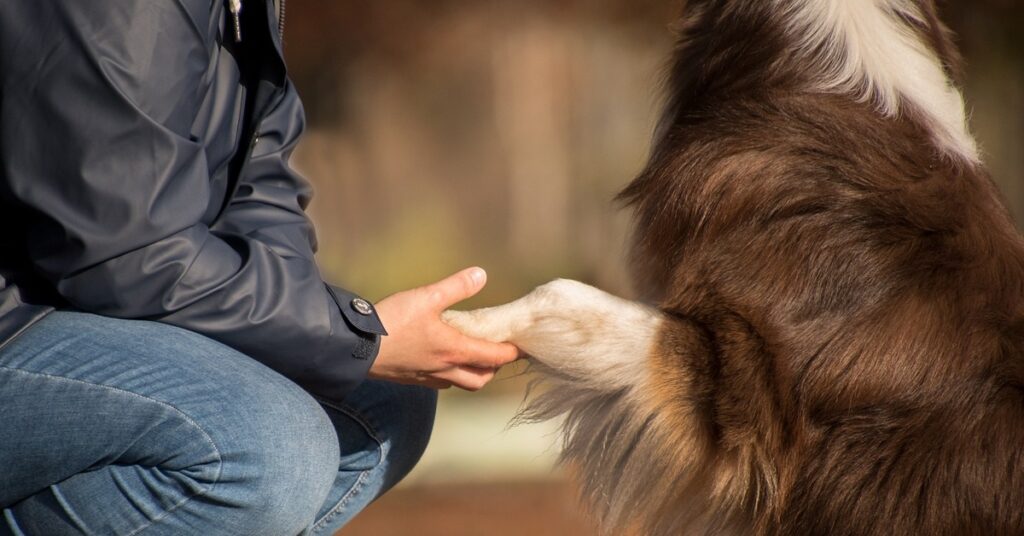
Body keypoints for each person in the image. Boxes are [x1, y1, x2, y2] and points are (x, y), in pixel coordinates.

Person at [0, 1, 520, 534]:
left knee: (385, 404)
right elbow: (127, 251)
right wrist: (358, 341)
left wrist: (337, 339)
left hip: (79, 307)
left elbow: (258, 184)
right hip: (20, 325)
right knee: (268, 446)